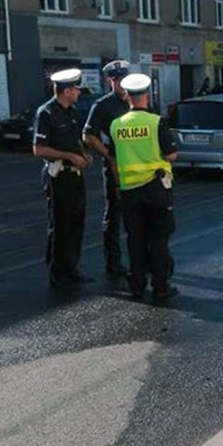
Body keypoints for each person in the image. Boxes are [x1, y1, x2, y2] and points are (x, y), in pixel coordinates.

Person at [109, 73, 179, 300]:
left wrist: (118, 185)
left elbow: (113, 158)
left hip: (129, 190)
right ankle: (160, 285)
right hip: (156, 189)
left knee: (135, 238)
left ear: (126, 95)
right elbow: (171, 155)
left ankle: (137, 284)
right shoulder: (156, 122)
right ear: (147, 96)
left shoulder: (116, 125)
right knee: (159, 238)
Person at [32, 68, 94, 289]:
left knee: (76, 223)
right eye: (76, 89)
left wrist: (83, 154)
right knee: (60, 226)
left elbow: (76, 140)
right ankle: (57, 274)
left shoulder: (71, 112)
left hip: (75, 176)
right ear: (66, 91)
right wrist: (69, 156)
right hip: (58, 176)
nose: (79, 93)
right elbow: (38, 149)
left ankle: (72, 268)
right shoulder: (46, 113)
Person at [82, 60, 131, 279]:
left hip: (139, 165)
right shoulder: (102, 105)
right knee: (114, 213)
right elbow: (88, 135)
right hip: (115, 165)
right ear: (110, 81)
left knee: (138, 215)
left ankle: (140, 260)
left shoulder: (135, 100)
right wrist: (107, 155)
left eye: (124, 80)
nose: (122, 85)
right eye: (117, 80)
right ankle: (114, 262)